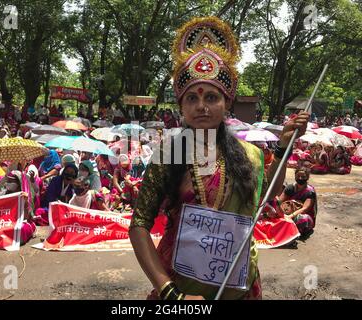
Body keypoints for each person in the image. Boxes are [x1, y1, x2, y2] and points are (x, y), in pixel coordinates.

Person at [129, 17, 309, 300]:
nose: (202, 106)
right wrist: (170, 292)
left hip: (241, 288)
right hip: (182, 291)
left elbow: (269, 194)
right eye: (192, 99)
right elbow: (139, 224)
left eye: (212, 97)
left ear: (227, 103)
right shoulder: (168, 154)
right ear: (181, 105)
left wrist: (286, 146)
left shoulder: (249, 154)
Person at [278, 167, 317, 236]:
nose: (300, 178)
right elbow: (280, 201)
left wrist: (290, 216)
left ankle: (291, 231)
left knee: (303, 220)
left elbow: (305, 209)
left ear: (307, 177)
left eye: (303, 176)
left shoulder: (310, 192)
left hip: (300, 215)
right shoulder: (290, 188)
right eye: (298, 176)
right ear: (295, 176)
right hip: (288, 212)